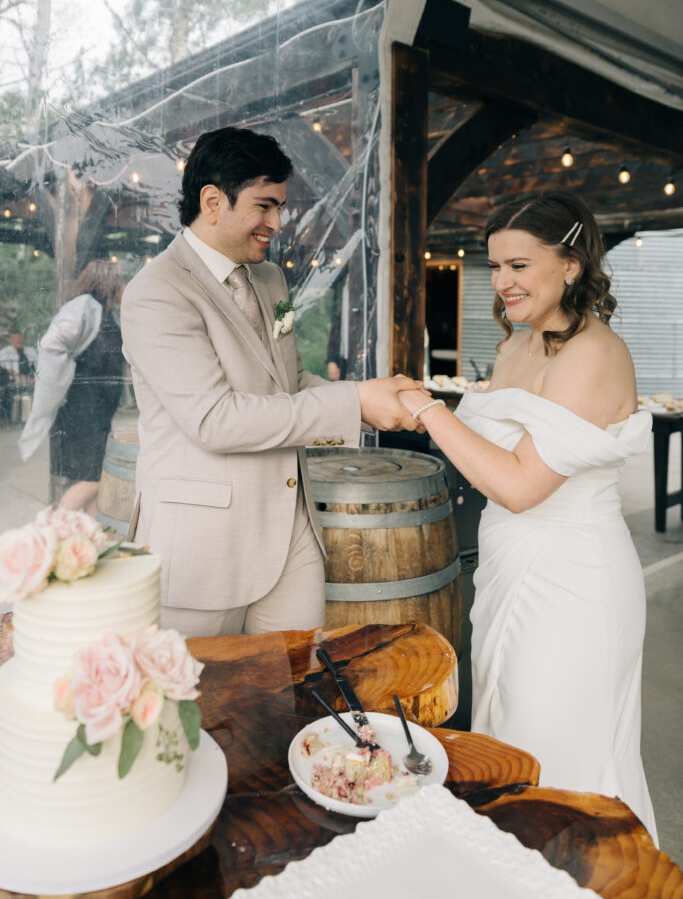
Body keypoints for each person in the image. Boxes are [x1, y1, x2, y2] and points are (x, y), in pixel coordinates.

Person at [396, 190, 658, 842]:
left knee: (560, 758)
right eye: (496, 266)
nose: (502, 282)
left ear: (570, 264)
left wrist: (427, 409)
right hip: (507, 568)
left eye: (519, 265)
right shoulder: (516, 346)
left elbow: (519, 486)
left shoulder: (593, 353)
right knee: (508, 745)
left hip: (573, 582)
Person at [120, 126, 419, 638]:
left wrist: (374, 401)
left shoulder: (271, 279)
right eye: (264, 206)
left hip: (291, 530)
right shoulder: (156, 292)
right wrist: (354, 402)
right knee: (202, 689)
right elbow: (214, 420)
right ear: (213, 201)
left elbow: (289, 379)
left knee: (295, 680)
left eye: (280, 207)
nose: (277, 223)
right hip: (202, 544)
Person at [19, 260, 125, 516]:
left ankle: (82, 533)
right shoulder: (85, 307)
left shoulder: (107, 313)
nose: (124, 286)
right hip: (81, 413)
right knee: (92, 480)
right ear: (108, 284)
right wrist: (61, 376)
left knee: (93, 481)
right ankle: (52, 528)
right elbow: (51, 344)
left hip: (97, 415)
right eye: (120, 281)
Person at [0, 331, 37, 422]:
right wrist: (26, 378)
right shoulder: (5, 352)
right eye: (15, 338)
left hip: (34, 380)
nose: (18, 340)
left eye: (20, 338)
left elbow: (39, 365)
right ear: (10, 340)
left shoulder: (31, 351)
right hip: (15, 381)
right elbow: (7, 371)